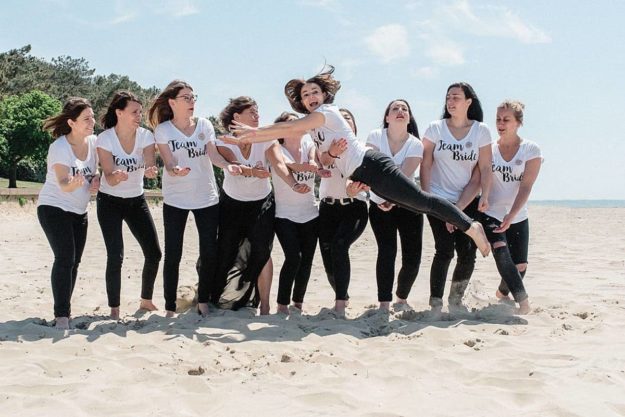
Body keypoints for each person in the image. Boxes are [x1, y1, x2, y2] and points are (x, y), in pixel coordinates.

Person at [223, 66, 491, 283]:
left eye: (315, 91)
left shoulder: (327, 113)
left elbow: (290, 129)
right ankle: (469, 226)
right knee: (419, 204)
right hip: (365, 174)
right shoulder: (314, 126)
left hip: (374, 165)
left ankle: (471, 226)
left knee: (423, 202)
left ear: (325, 95)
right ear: (301, 101)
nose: (311, 97)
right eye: (305, 95)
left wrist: (254, 133)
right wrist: (255, 136)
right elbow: (298, 139)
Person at [213, 97, 310, 314]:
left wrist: (294, 184)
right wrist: (253, 171)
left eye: (258, 112)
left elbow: (279, 164)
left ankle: (264, 305)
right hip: (232, 204)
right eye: (252, 112)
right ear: (236, 117)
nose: (258, 116)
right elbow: (234, 165)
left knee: (262, 251)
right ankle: (216, 296)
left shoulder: (266, 139)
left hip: (262, 203)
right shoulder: (224, 141)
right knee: (227, 250)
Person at [149, 80, 231, 317]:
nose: (192, 102)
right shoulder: (163, 130)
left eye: (193, 97)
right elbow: (168, 161)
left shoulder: (204, 125)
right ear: (172, 102)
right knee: (173, 252)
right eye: (186, 98)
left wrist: (228, 166)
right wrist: (174, 170)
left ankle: (203, 301)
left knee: (208, 252)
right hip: (176, 198)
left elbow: (213, 155)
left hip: (206, 197)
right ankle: (169, 306)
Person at [420, 82, 493, 313]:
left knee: (467, 252)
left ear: (468, 102)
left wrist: (459, 208)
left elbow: (482, 172)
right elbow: (426, 164)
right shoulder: (435, 128)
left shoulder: (481, 131)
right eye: (448, 97)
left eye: (456, 97)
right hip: (436, 198)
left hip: (468, 199)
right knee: (444, 250)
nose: (451, 102)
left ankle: (455, 300)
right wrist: (427, 198)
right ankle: (435, 302)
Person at [96, 91, 162, 319]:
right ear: (119, 113)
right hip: (109, 202)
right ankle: (114, 308)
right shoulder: (105, 139)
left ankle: (146, 300)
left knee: (154, 253)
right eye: (135, 112)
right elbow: (108, 175)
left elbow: (150, 163)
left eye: (140, 112)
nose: (139, 116)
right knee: (116, 255)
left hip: (136, 200)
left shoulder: (145, 136)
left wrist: (151, 169)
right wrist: (116, 176)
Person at [38, 98, 100, 329]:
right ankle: (61, 316)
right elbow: (64, 183)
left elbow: (94, 172)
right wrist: (75, 182)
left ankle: (65, 310)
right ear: (72, 122)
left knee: (75, 261)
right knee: (65, 258)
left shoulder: (93, 143)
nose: (92, 122)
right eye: (86, 118)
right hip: (53, 207)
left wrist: (95, 179)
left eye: (92, 117)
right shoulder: (59, 147)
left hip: (79, 210)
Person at [481, 100, 542, 314]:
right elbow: (484, 176)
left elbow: (526, 187)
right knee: (501, 252)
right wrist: (485, 197)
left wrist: (512, 215)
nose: (500, 123)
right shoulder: (489, 149)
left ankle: (501, 293)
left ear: (518, 123)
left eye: (506, 119)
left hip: (517, 214)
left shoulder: (530, 149)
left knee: (521, 267)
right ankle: (524, 303)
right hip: (491, 213)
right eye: (498, 119)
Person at [366, 99, 423, 311]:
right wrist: (383, 199)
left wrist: (391, 199)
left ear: (409, 118)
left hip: (409, 205)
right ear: (387, 117)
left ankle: (401, 298)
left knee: (412, 257)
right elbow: (371, 170)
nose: (400, 111)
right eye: (395, 109)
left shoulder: (415, 144)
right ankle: (384, 303)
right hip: (379, 204)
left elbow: (404, 178)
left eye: (405, 109)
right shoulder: (374, 137)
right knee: (387, 252)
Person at [315, 107, 368, 315]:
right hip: (327, 207)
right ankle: (342, 295)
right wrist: (331, 153)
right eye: (341, 120)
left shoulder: (363, 150)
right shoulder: (323, 150)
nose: (344, 123)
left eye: (348, 120)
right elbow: (323, 161)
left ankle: (339, 304)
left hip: (354, 207)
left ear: (352, 127)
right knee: (327, 256)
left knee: (339, 246)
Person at [271, 112, 319, 314]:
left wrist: (312, 161)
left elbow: (313, 155)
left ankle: (297, 302)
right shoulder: (275, 148)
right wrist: (309, 166)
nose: (297, 125)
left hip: (310, 213)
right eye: (291, 123)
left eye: (298, 122)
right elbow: (284, 165)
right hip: (284, 214)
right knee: (293, 257)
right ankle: (282, 304)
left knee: (306, 260)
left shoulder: (309, 145)